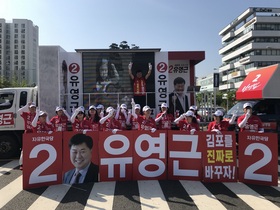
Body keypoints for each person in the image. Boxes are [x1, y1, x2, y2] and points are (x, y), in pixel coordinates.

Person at [17, 102, 37, 170]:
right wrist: (26, 105)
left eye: (34, 108)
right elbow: (19, 111)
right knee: (24, 149)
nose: (32, 109)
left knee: (35, 147)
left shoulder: (37, 115)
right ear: (29, 109)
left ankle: (34, 162)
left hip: (34, 133)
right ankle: (21, 164)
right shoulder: (26, 114)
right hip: (27, 132)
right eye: (31, 108)